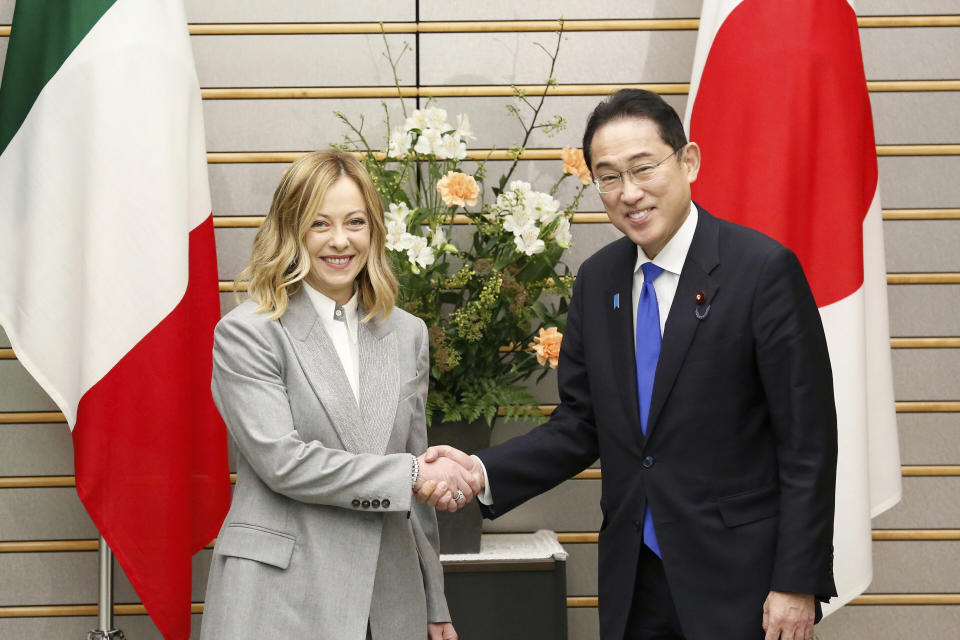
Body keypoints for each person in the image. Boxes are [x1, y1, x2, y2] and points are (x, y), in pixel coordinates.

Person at [420, 90, 838, 640]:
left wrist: (795, 581)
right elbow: (581, 423)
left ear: (688, 161)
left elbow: (808, 442)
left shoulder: (762, 271)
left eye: (644, 168)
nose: (630, 193)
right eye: (609, 177)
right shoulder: (599, 280)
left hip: (743, 581)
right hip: (634, 577)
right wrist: (481, 472)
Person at [200, 150, 478, 640]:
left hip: (390, 599)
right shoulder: (248, 332)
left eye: (355, 222)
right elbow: (282, 461)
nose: (340, 240)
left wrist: (436, 600)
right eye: (319, 223)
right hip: (280, 595)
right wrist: (413, 473)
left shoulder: (407, 333)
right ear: (291, 230)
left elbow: (415, 472)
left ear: (373, 230)